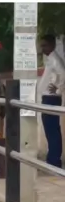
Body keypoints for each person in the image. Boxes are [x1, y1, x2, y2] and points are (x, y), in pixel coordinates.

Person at [38, 34, 65, 168]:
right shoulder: (50, 59)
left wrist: (58, 89)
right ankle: (52, 157)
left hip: (51, 98)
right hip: (47, 97)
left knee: (52, 129)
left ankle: (54, 159)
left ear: (52, 45)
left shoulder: (55, 59)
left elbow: (63, 74)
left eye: (45, 45)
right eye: (42, 45)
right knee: (50, 129)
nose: (43, 48)